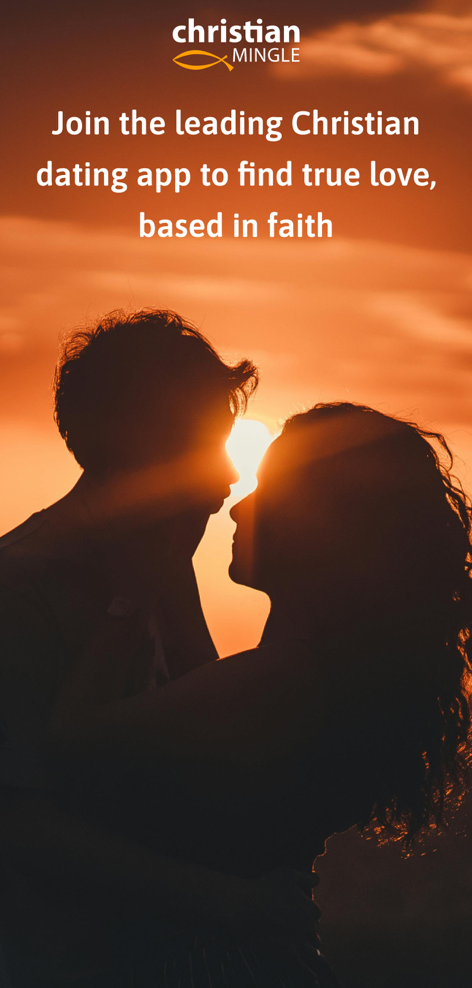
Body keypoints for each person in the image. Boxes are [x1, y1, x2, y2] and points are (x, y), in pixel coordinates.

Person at [48, 402, 472, 986]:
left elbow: (74, 734)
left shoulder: (279, 677)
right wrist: (168, 560)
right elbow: (198, 674)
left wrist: (127, 596)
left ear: (314, 526)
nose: (238, 507)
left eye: (266, 491)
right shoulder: (311, 672)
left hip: (206, 964)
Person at [0, 310, 321, 987]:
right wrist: (239, 906)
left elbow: (210, 753)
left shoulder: (162, 573)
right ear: (132, 443)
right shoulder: (19, 593)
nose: (227, 479)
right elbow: (22, 831)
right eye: (203, 444)